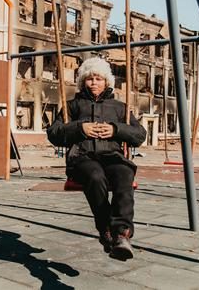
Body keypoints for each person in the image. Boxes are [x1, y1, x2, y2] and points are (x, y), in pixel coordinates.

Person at [47, 57, 146, 260]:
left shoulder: (119, 107)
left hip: (112, 156)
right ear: (83, 81)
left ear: (106, 82)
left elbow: (139, 135)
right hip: (82, 158)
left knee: (125, 173)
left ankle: (122, 234)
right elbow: (54, 133)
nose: (94, 83)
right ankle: (106, 228)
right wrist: (79, 128)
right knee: (95, 176)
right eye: (90, 78)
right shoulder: (73, 106)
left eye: (98, 78)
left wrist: (115, 129)